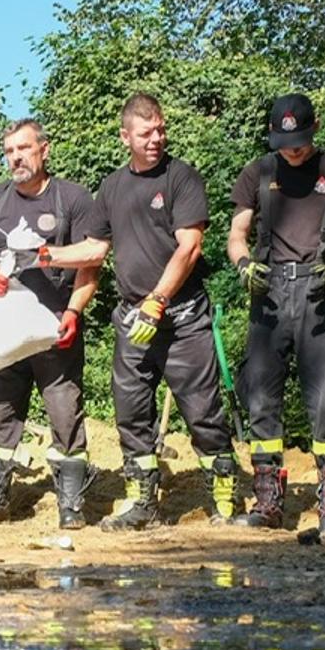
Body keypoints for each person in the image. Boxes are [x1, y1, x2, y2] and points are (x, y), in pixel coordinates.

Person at [41, 93, 243, 531]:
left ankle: (224, 499)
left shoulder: (181, 178)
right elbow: (96, 247)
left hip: (182, 318)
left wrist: (159, 300)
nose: (156, 139)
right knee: (131, 412)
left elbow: (189, 247)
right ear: (125, 136)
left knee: (202, 410)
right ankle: (142, 503)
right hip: (133, 320)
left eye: (161, 131)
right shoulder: (112, 187)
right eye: (146, 132)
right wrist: (49, 255)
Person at [225, 94, 325, 535]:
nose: (293, 149)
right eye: (284, 141)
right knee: (262, 396)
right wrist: (243, 264)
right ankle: (268, 500)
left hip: (317, 288)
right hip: (269, 292)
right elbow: (237, 233)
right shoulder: (258, 172)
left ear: (316, 128)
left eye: (300, 140)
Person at [0, 118, 99, 528]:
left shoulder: (72, 198)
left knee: (65, 414)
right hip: (7, 330)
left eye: (23, 148)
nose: (16, 157)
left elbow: (92, 261)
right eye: (9, 151)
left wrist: (74, 312)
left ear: (44, 149)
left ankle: (71, 504)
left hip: (56, 328)